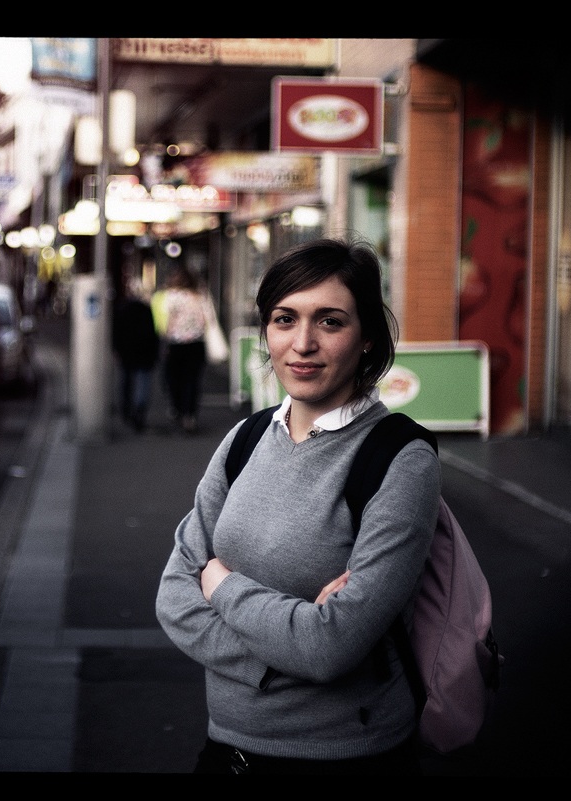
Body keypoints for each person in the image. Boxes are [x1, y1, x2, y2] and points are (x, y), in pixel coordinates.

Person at [155, 237, 441, 775]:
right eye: (285, 319)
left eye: (330, 321)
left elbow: (329, 647)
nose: (302, 343)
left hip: (345, 757)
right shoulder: (246, 438)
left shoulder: (400, 459)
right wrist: (287, 656)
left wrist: (221, 585)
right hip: (227, 750)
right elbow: (173, 597)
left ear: (368, 338)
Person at [155, 266, 209, 433]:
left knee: (174, 380)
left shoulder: (171, 297)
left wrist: (165, 339)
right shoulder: (199, 296)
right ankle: (190, 416)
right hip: (196, 343)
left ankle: (177, 409)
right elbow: (205, 320)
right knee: (192, 380)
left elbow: (166, 322)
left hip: (175, 344)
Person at [112, 277, 160, 432]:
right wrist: (155, 352)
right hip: (144, 352)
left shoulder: (121, 309)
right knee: (142, 382)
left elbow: (116, 333)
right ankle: (139, 410)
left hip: (127, 351)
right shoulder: (146, 310)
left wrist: (116, 349)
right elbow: (153, 333)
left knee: (126, 381)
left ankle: (126, 409)